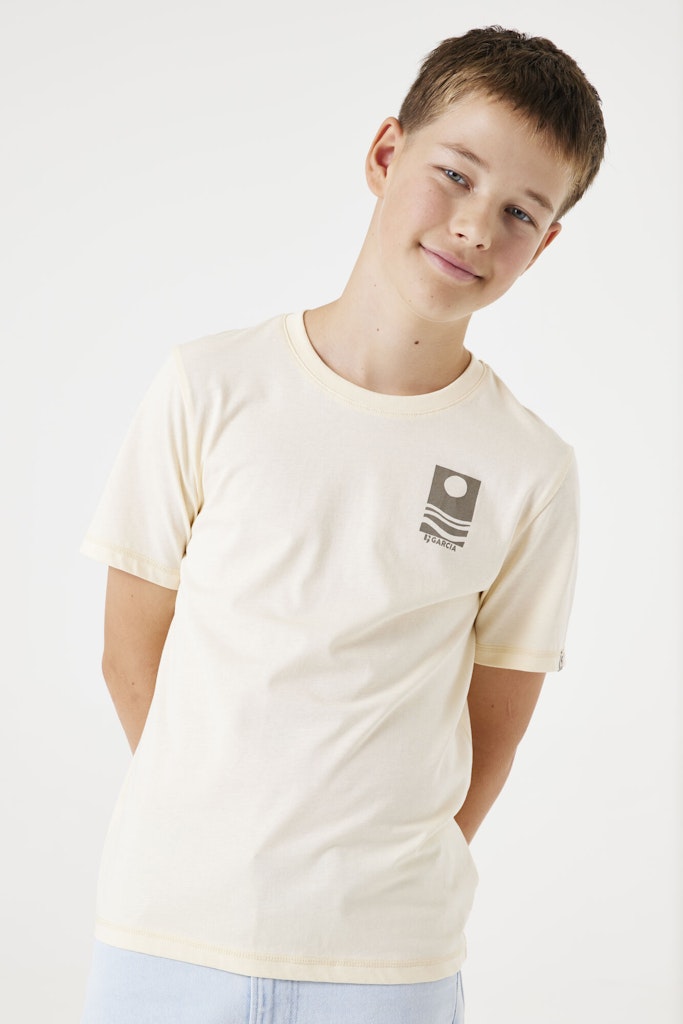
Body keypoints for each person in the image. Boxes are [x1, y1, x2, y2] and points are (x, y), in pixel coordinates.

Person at [79, 26, 606, 1024]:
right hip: (166, 934)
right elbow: (127, 648)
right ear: (384, 153)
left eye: (517, 212)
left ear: (542, 245)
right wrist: (219, 835)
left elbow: (492, 728)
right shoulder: (210, 386)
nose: (473, 226)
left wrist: (369, 877)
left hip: (385, 966)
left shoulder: (528, 467)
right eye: (453, 174)